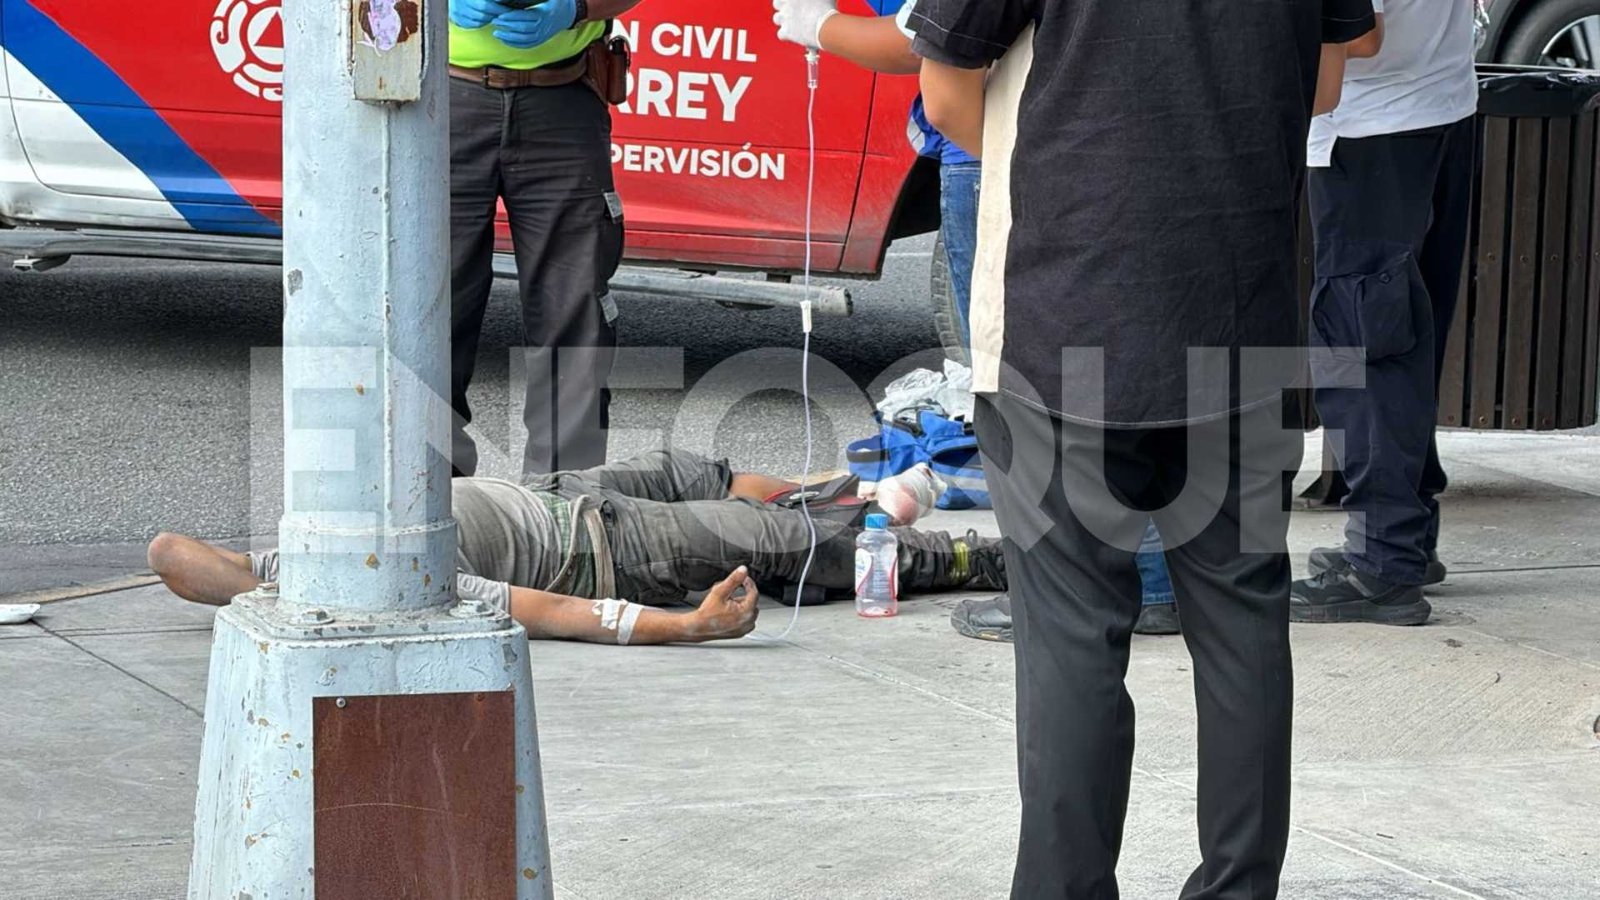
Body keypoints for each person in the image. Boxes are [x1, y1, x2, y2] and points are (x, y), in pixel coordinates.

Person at [906, 1, 1375, 897]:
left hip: (1069, 310)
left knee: (1071, 635)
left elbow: (946, 88)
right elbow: (1324, 81)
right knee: (1243, 625)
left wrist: (1078, 160)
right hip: (1240, 310)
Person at [771, 0, 1182, 642]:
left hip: (998, 150)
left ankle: (1071, 594)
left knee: (1022, 393)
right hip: (1081, 148)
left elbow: (925, 45)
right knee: (1106, 381)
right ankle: (1144, 579)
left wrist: (819, 26)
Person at [148, 450, 1007, 647]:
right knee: (776, 540)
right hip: (606, 549)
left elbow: (167, 550)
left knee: (690, 468)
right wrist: (689, 628)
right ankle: (976, 557)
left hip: (562, 492)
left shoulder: (306, 557)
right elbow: (562, 612)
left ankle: (861, 497)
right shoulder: (419, 589)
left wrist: (270, 581)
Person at [1292, 0, 1479, 627]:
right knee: (1407, 341)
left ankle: (1383, 562)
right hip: (1442, 107)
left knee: (1363, 348)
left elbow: (1358, 36)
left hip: (1371, 128)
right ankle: (1407, 537)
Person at [446, 0, 640, 478]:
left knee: (574, 317)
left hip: (563, 98)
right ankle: (426, 504)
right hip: (439, 96)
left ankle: (561, 506)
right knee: (428, 311)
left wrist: (575, 8)